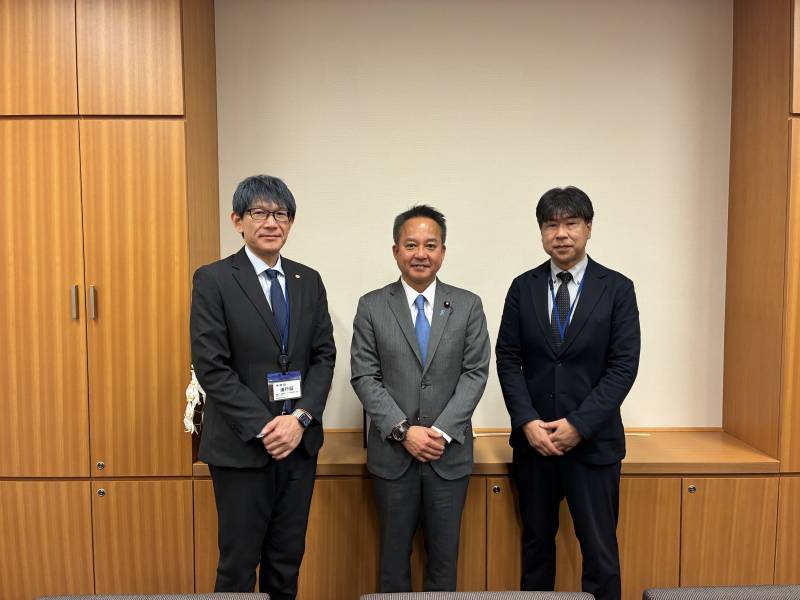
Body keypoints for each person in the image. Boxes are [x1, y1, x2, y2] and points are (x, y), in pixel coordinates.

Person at [190, 174, 336, 600]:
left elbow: (324, 357)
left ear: (290, 222)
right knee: (237, 567)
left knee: (286, 563)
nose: (272, 223)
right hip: (242, 449)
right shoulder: (214, 279)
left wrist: (299, 420)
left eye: (281, 214)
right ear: (237, 220)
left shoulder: (308, 280)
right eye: (259, 213)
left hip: (298, 447)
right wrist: (267, 427)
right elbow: (211, 366)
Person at [495, 186, 640, 600]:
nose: (561, 234)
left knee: (600, 554)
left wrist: (579, 425)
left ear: (588, 228)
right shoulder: (522, 287)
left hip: (593, 445)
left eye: (571, 223)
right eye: (550, 225)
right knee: (536, 550)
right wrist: (527, 421)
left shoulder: (617, 288)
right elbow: (507, 358)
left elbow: (623, 366)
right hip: (535, 445)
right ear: (541, 231)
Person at [350, 205, 491, 592]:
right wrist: (403, 431)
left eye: (431, 245)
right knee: (393, 563)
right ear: (395, 250)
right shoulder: (372, 306)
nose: (421, 253)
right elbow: (364, 376)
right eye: (411, 245)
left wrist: (440, 432)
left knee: (443, 565)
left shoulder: (468, 305)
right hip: (393, 457)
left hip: (448, 456)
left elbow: (476, 373)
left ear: (443, 252)